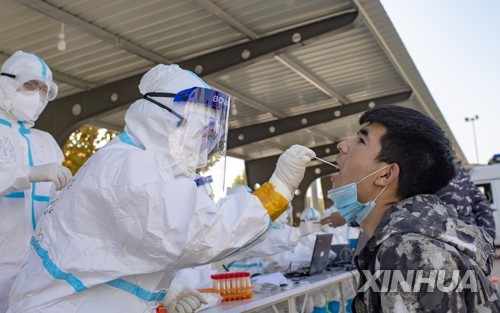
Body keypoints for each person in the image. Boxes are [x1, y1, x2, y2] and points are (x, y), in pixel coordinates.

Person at [7, 64, 316, 313]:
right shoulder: (128, 168)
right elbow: (198, 233)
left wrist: (163, 289)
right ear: (163, 120)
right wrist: (279, 189)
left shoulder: (141, 165)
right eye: (200, 133)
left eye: (211, 137)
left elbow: (119, 251)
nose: (204, 148)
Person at [327, 105, 499, 312]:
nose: (342, 145)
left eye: (361, 140)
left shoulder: (408, 253)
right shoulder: (417, 240)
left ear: (385, 175)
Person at [0, 51, 72, 312]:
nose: (37, 95)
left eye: (43, 89)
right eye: (30, 85)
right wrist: (30, 173)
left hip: (38, 268)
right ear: (8, 84)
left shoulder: (47, 141)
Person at [436, 161, 496, 241]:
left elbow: (481, 203)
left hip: (470, 238)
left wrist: (487, 238)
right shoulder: (422, 170)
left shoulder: (458, 170)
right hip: (442, 240)